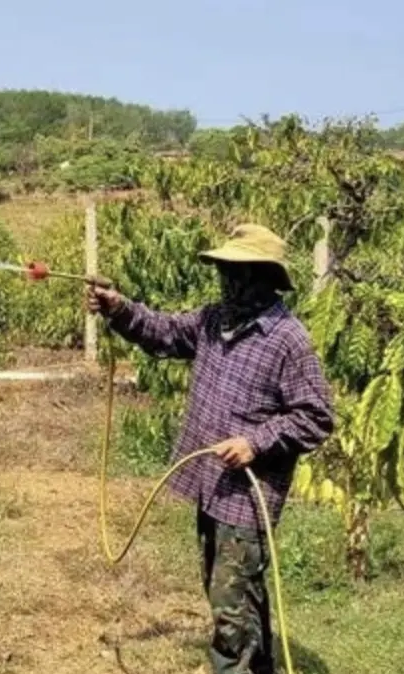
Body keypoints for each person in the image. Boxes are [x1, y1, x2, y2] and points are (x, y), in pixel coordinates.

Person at [85, 223, 335, 674]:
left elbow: (316, 417)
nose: (228, 281)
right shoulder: (213, 320)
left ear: (265, 277)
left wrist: (254, 443)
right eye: (224, 270)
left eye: (238, 272)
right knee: (234, 599)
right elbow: (163, 331)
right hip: (211, 487)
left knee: (231, 607)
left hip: (247, 499)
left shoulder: (287, 340)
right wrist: (118, 308)